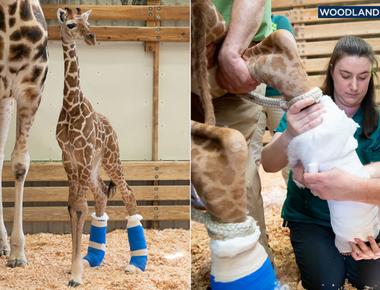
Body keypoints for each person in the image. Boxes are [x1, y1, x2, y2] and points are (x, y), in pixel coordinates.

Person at [261, 35, 380, 289]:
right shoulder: (308, 108)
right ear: (331, 71)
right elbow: (269, 164)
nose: (355, 86)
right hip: (311, 217)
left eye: (363, 77)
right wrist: (291, 134)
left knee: (371, 281)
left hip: (364, 217)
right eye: (346, 75)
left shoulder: (377, 119)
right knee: (326, 283)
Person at [195, 0, 273, 254]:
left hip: (234, 57)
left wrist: (229, 52)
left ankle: (253, 269)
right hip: (186, 59)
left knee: (237, 178)